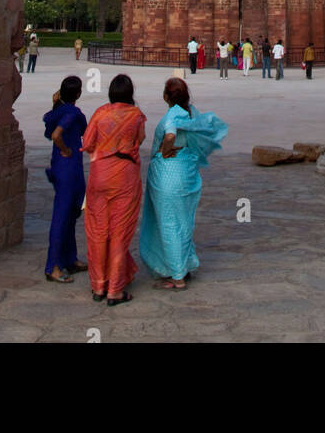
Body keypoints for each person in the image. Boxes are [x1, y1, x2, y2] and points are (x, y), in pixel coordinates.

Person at [139, 78, 228, 290]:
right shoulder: (192, 113)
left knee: (169, 223)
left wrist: (166, 148)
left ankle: (177, 276)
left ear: (166, 97)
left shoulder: (173, 114)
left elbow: (170, 133)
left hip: (169, 177)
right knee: (183, 222)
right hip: (187, 175)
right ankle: (183, 265)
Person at [81, 73, 146, 306]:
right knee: (119, 232)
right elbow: (140, 140)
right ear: (130, 94)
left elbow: (87, 143)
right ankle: (115, 290)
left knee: (98, 231)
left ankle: (98, 285)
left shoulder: (100, 113)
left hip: (100, 175)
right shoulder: (136, 115)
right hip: (125, 176)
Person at [43, 76, 87, 282]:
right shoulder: (72, 113)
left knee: (70, 213)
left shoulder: (57, 112)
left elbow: (49, 130)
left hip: (62, 167)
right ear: (77, 94)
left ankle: (69, 258)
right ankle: (53, 266)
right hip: (68, 167)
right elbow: (55, 135)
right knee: (62, 215)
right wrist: (66, 149)